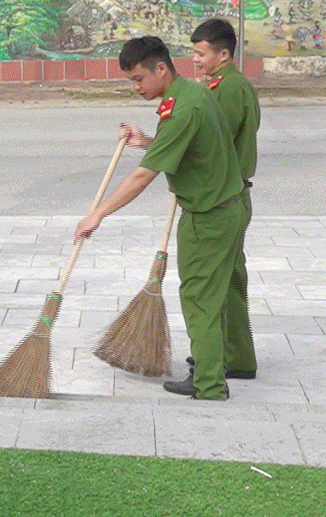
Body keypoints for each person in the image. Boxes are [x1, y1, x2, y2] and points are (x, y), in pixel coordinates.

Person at [75, 36, 245, 401]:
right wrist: (146, 140)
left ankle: (209, 384)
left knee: (199, 298)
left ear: (161, 69)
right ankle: (210, 362)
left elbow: (141, 177)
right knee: (210, 296)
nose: (135, 88)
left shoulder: (184, 108)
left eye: (138, 79)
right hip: (222, 207)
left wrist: (97, 215)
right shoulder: (193, 96)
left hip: (209, 216)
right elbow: (183, 143)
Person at [187, 19, 259, 388]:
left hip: (224, 197)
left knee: (209, 287)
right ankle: (237, 357)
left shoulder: (230, 89)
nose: (196, 61)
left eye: (201, 54)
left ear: (224, 54)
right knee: (230, 282)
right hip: (234, 193)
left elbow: (212, 142)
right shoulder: (223, 85)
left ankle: (211, 363)